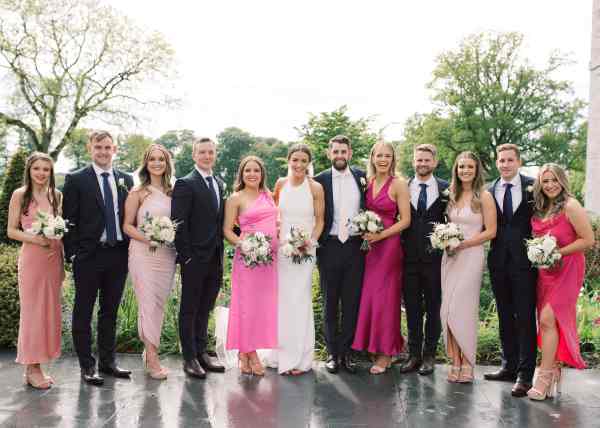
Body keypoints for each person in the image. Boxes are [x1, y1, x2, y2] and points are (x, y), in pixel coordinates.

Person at [63, 130, 134, 386]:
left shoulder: (125, 179)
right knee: (83, 311)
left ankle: (108, 362)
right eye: (98, 147)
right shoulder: (76, 179)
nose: (103, 152)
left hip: (117, 255)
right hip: (88, 256)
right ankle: (87, 365)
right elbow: (68, 220)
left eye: (107, 147)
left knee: (109, 312)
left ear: (114, 149)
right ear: (89, 149)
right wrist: (72, 253)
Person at [527, 164, 594, 400]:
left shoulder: (571, 206)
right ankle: (553, 369)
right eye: (545, 181)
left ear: (562, 181)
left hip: (568, 269)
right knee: (547, 324)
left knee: (548, 318)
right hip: (546, 272)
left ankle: (544, 377)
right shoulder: (541, 207)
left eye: (554, 180)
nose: (550, 185)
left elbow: (588, 240)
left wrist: (557, 253)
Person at [351, 141, 411, 374]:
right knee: (370, 297)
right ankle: (373, 347)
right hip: (369, 247)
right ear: (372, 158)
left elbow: (405, 220)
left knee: (386, 298)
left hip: (389, 246)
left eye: (387, 155)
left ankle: (386, 353)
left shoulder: (399, 184)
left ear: (393, 158)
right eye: (379, 155)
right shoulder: (368, 183)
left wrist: (381, 235)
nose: (383, 159)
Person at [484, 144, 538, 397]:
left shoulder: (533, 186)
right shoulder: (489, 189)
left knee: (525, 318)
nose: (505, 164)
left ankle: (525, 375)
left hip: (525, 263)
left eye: (509, 160)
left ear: (518, 161)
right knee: (505, 316)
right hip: (498, 262)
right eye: (501, 160)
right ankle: (508, 366)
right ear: (496, 163)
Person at [7, 152, 64, 389]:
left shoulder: (56, 195)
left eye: (46, 169)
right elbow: (11, 230)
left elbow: (59, 227)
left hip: (53, 260)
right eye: (37, 169)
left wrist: (61, 260)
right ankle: (32, 368)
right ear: (29, 171)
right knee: (33, 313)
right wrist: (36, 239)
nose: (41, 174)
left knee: (49, 312)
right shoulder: (20, 195)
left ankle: (37, 364)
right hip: (32, 259)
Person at [171, 137, 226, 379]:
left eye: (210, 152)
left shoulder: (218, 183)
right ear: (194, 155)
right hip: (194, 258)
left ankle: (202, 352)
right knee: (190, 308)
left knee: (206, 307)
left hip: (215, 256)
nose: (206, 156)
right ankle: (189, 358)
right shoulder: (185, 183)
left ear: (215, 155)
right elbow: (178, 223)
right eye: (202, 152)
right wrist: (187, 258)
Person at [440, 151, 496, 383]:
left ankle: (468, 363)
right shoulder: (451, 195)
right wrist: (445, 241)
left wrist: (463, 244)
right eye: (461, 167)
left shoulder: (483, 196)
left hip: (471, 256)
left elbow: (491, 231)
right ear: (456, 169)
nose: (465, 171)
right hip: (450, 258)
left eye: (470, 167)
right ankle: (454, 361)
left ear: (477, 170)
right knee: (447, 310)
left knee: (462, 309)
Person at [314, 135, 366, 374]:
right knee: (330, 303)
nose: (339, 156)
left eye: (343, 151)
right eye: (335, 152)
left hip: (356, 248)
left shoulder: (362, 177)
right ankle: (333, 354)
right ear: (329, 153)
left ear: (350, 153)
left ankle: (347, 354)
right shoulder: (319, 180)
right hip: (330, 247)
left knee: (352, 303)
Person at [270, 144, 324, 375]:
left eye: (304, 160)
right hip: (283, 250)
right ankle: (279, 354)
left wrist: (308, 243)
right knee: (282, 300)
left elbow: (320, 221)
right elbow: (274, 215)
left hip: (305, 251)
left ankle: (300, 358)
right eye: (295, 160)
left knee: (299, 300)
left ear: (309, 162)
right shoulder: (280, 184)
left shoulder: (315, 187)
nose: (299, 164)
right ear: (288, 160)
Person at [124, 144, 176, 380]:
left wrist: (165, 237)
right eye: (152, 159)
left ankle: (148, 352)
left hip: (166, 254)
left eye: (161, 159)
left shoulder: (173, 191)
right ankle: (153, 359)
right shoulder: (138, 192)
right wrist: (150, 238)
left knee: (158, 303)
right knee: (147, 303)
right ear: (146, 163)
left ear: (167, 163)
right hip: (143, 253)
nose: (157, 163)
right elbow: (127, 225)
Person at [224, 156, 278, 376]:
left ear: (262, 173)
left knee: (260, 308)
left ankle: (244, 353)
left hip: (268, 261)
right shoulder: (235, 199)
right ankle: (251, 353)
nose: (252, 174)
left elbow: (274, 222)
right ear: (242, 174)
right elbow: (227, 230)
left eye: (256, 170)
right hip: (247, 259)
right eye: (248, 171)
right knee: (246, 306)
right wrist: (245, 245)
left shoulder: (269, 196)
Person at [400, 144, 449, 376]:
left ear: (434, 162)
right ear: (413, 161)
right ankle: (413, 355)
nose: (422, 164)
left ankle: (430, 355)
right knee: (411, 308)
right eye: (419, 160)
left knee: (433, 307)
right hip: (407, 257)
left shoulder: (446, 189)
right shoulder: (404, 186)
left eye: (426, 160)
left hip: (435, 259)